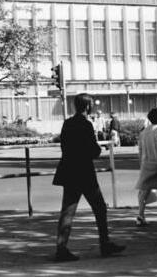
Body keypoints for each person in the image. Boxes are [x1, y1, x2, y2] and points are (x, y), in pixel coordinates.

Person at [53, 94, 125, 262]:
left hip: (69, 171)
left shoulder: (67, 123)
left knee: (67, 212)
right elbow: (93, 150)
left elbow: (65, 146)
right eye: (91, 105)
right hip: (84, 173)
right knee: (100, 208)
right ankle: (104, 243)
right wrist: (97, 151)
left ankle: (61, 248)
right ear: (87, 107)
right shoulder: (85, 124)